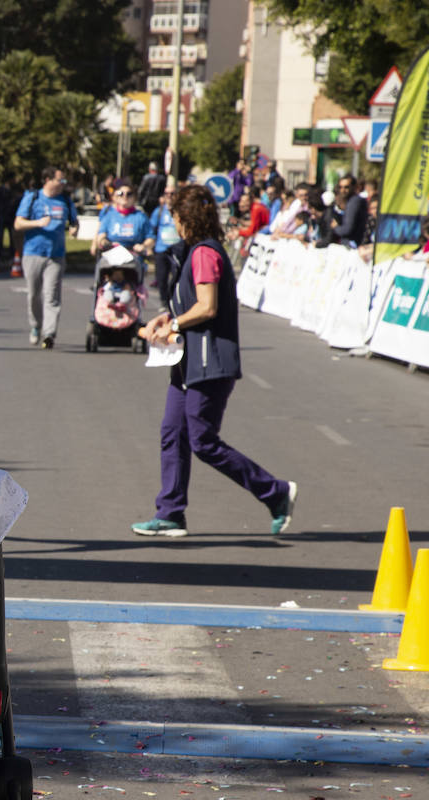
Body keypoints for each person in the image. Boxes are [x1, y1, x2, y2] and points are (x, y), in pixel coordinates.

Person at [131, 184, 296, 539]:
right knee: (172, 432)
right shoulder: (192, 252)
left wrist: (173, 324)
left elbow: (207, 306)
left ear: (185, 217)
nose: (172, 223)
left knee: (203, 440)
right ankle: (170, 513)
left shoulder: (205, 253)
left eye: (174, 216)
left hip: (210, 362)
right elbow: (189, 303)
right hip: (188, 363)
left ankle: (275, 491)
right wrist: (166, 318)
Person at [14, 166, 78, 348]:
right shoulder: (33, 197)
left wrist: (74, 229)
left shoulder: (65, 199)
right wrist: (38, 223)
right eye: (60, 180)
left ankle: (49, 334)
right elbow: (18, 223)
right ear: (48, 180)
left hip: (56, 255)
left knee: (52, 296)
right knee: (34, 294)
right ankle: (35, 326)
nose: (63, 183)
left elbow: (74, 222)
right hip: (33, 253)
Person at [93, 184, 152, 263]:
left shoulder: (141, 216)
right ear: (116, 197)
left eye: (129, 194)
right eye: (121, 193)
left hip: (133, 257)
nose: (125, 196)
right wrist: (105, 243)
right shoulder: (109, 216)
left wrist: (143, 246)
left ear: (134, 198)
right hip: (112, 255)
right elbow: (101, 236)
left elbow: (151, 237)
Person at [147, 186, 180, 305]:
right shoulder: (159, 211)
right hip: (162, 248)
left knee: (178, 277)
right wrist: (149, 246)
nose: (169, 196)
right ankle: (164, 301)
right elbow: (151, 230)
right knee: (161, 277)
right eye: (167, 193)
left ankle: (176, 301)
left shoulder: (181, 211)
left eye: (172, 193)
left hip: (178, 250)